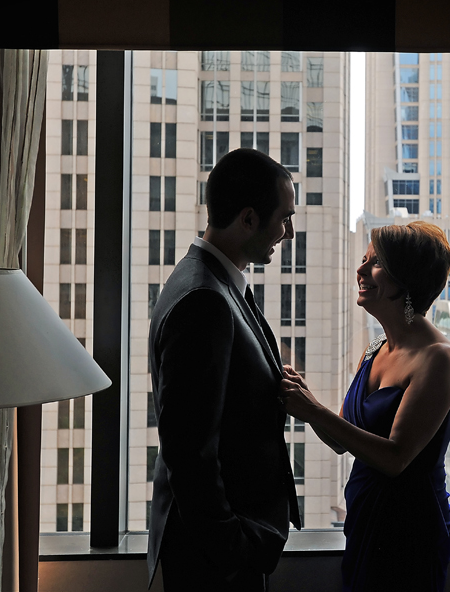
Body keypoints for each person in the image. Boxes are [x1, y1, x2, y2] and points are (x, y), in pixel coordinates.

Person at [147, 148, 302, 591]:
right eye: (284, 218)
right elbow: (190, 451)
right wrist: (233, 548)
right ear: (249, 219)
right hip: (214, 563)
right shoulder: (205, 300)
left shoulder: (210, 280)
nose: (288, 233)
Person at [279, 221, 450, 592]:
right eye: (364, 260)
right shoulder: (374, 349)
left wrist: (312, 408)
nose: (360, 271)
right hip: (365, 520)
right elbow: (340, 440)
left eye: (375, 263)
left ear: (404, 278)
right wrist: (302, 396)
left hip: (410, 529)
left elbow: (396, 458)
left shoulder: (437, 359)